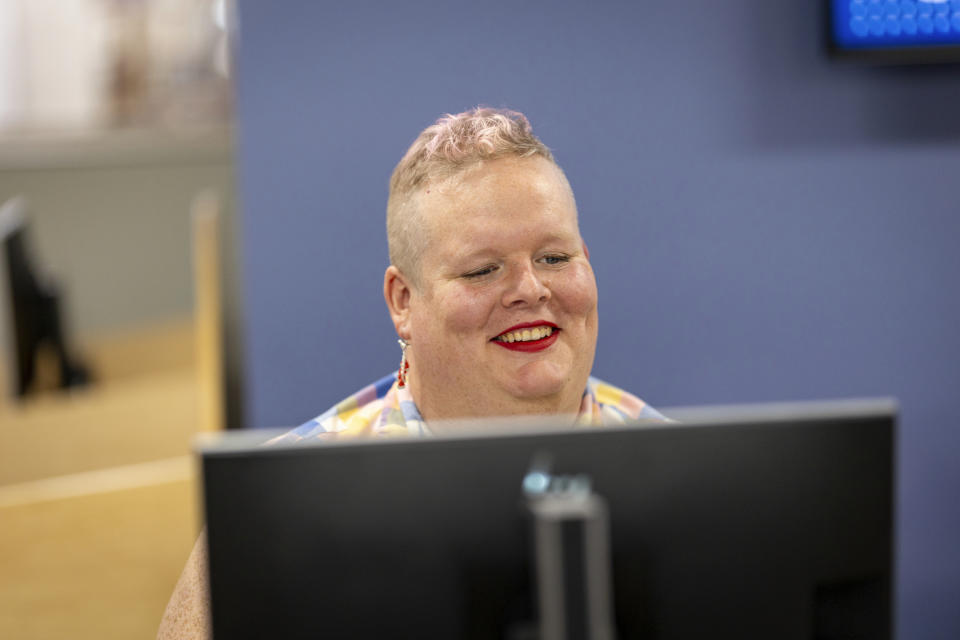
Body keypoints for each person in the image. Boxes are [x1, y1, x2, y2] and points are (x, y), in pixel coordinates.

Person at [157, 107, 666, 639]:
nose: (531, 289)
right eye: (482, 270)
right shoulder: (269, 519)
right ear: (403, 301)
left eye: (555, 258)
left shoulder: (692, 484)